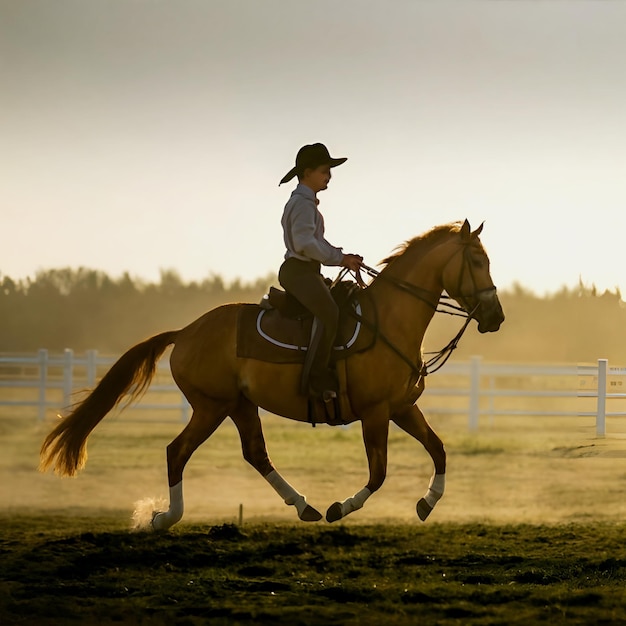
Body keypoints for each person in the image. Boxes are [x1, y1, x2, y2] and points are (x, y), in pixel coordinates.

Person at [278, 143, 363, 401]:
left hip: (304, 270)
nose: (329, 176)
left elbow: (315, 243)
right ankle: (315, 379)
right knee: (329, 313)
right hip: (299, 271)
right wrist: (340, 258)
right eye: (325, 171)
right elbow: (304, 243)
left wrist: (342, 256)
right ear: (307, 172)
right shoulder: (303, 205)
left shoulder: (306, 204)